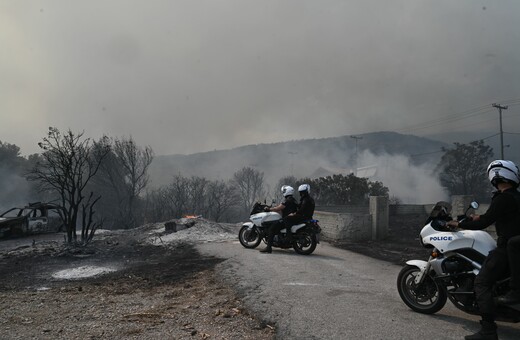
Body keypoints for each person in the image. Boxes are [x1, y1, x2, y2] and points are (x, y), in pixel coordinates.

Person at [447, 160, 520, 340]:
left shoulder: (503, 198)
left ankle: (488, 331)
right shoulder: (515, 196)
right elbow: (495, 215)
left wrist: (460, 223)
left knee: (481, 282)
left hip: (506, 246)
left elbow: (485, 222)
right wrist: (479, 217)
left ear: (495, 176)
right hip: (515, 245)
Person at [260, 185, 298, 253]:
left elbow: (278, 208)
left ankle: (268, 248)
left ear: (287, 192)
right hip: (291, 220)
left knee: (271, 228)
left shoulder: (287, 200)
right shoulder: (294, 200)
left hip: (286, 220)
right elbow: (282, 208)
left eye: (284, 191)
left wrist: (269, 209)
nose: (283, 192)